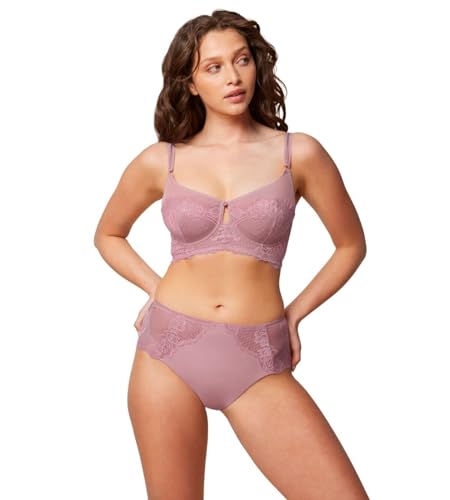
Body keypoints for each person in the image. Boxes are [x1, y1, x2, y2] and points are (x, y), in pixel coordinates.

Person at [93, 9, 369, 500]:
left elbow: (351, 245)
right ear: (191, 83)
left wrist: (294, 315)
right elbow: (108, 234)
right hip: (168, 350)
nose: (233, 77)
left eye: (242, 60)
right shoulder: (162, 160)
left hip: (257, 353)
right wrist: (158, 288)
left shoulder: (299, 153)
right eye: (213, 67)